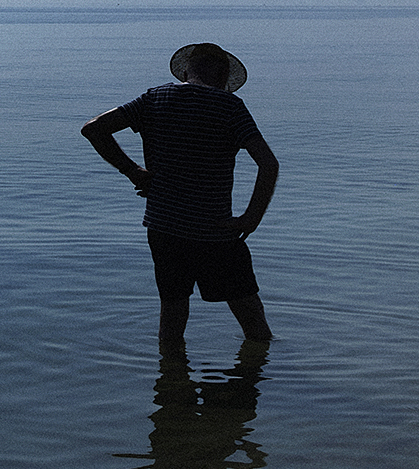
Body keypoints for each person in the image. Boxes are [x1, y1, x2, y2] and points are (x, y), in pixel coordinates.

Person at [81, 43, 279, 346]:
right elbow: (268, 164)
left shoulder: (154, 98)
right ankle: (253, 383)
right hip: (214, 232)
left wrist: (133, 171)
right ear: (224, 76)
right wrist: (251, 218)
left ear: (186, 70)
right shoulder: (230, 107)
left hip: (164, 229)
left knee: (171, 320)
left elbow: (94, 129)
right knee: (254, 327)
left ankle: (171, 383)